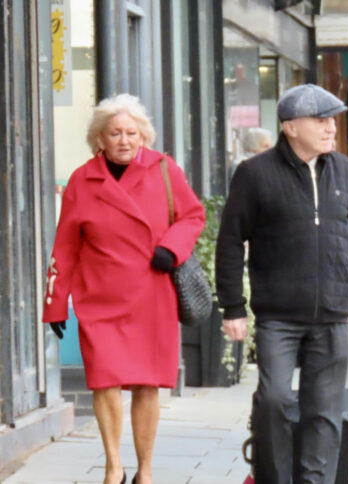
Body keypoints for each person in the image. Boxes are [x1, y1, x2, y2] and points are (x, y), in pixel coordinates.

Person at [43, 94, 205, 484]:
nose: (124, 140)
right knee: (105, 379)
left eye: (132, 133)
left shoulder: (165, 169)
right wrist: (55, 304)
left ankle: (145, 470)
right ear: (99, 138)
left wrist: (171, 248)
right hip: (100, 296)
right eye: (115, 133)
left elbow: (192, 215)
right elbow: (66, 244)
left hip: (152, 292)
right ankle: (113, 466)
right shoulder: (83, 179)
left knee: (148, 383)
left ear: (143, 136)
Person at [216, 84, 348, 484]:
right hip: (278, 315)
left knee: (325, 409)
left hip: (332, 314)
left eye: (332, 120)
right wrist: (232, 306)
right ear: (290, 127)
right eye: (320, 121)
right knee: (274, 400)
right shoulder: (255, 174)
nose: (330, 128)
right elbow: (231, 240)